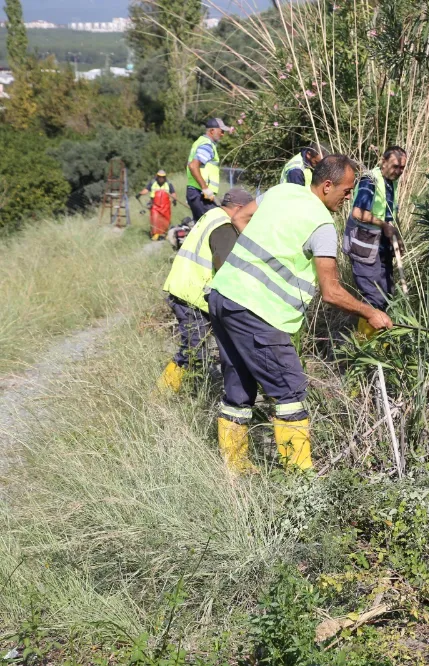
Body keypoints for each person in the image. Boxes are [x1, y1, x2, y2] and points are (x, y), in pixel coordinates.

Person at [208, 155, 393, 473]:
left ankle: (235, 470)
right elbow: (331, 291)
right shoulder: (321, 225)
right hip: (257, 312)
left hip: (223, 295)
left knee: (239, 388)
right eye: (346, 191)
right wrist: (370, 312)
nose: (348, 197)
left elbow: (239, 218)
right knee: (290, 391)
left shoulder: (281, 191)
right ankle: (299, 481)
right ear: (327, 186)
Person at [157, 188, 255, 393]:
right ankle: (163, 395)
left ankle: (183, 391)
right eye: (249, 214)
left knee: (195, 350)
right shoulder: (225, 226)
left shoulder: (212, 215)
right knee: (194, 352)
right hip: (192, 294)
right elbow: (226, 266)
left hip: (185, 289)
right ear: (238, 208)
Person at [343, 146, 407, 335]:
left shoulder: (391, 181)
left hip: (381, 248)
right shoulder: (370, 180)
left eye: (402, 168)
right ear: (383, 162)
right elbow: (358, 213)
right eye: (395, 166)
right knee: (373, 298)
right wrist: (384, 226)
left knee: (386, 296)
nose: (399, 172)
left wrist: (396, 235)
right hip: (365, 247)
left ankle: (379, 345)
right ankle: (365, 347)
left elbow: (387, 216)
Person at [186, 118, 230, 220]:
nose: (223, 134)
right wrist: (205, 188)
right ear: (212, 131)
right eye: (221, 131)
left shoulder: (200, 142)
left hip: (197, 192)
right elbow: (193, 166)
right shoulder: (207, 145)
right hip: (200, 194)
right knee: (213, 225)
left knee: (202, 227)